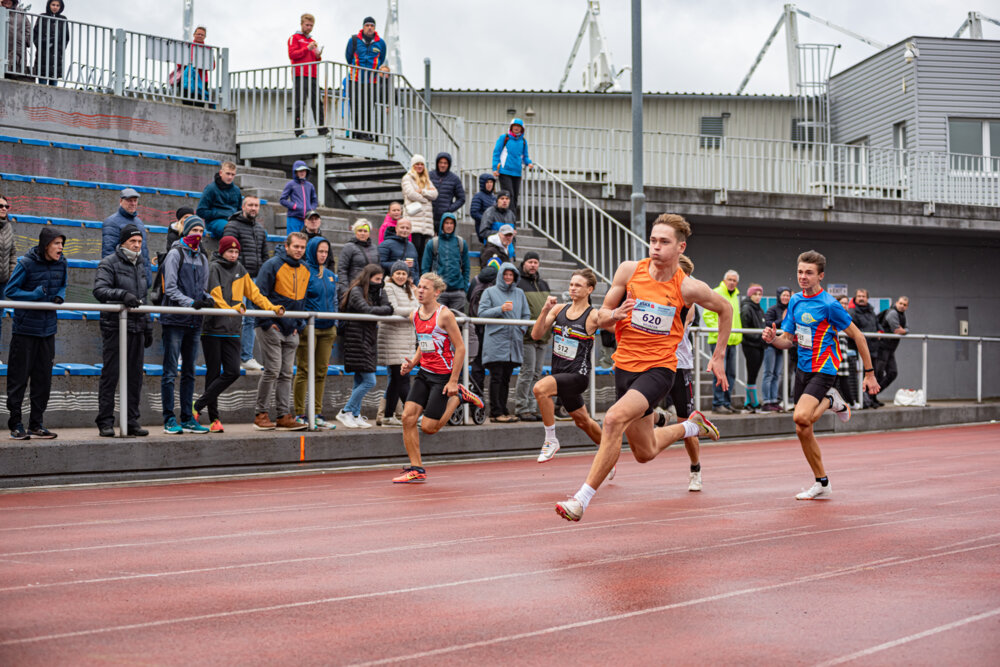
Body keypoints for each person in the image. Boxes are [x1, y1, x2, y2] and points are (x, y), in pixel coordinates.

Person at [554, 214, 732, 523]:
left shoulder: (688, 288)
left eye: (664, 242)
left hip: (659, 370)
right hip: (624, 367)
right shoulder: (628, 270)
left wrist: (718, 356)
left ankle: (581, 499)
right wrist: (613, 316)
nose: (656, 247)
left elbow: (726, 308)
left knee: (612, 420)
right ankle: (692, 426)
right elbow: (601, 315)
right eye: (652, 240)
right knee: (644, 451)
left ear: (680, 247)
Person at [762, 250, 880, 500]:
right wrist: (774, 340)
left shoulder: (829, 305)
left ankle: (831, 399)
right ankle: (822, 482)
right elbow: (788, 341)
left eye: (809, 273)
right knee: (802, 428)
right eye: (800, 272)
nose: (803, 277)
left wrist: (869, 373)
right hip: (803, 368)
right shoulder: (794, 301)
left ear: (820, 276)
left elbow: (858, 336)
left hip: (825, 367)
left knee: (801, 416)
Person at [394, 273, 484, 483]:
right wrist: (411, 365)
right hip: (424, 374)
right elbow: (423, 343)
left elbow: (460, 348)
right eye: (419, 287)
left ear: (437, 292)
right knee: (407, 418)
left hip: (443, 376)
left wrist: (453, 381)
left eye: (425, 288)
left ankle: (458, 396)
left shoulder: (444, 315)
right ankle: (417, 468)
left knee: (429, 428)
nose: (420, 291)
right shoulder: (414, 315)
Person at [195, 236, 283, 433]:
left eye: (236, 252)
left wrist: (272, 307)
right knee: (213, 375)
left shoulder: (241, 269)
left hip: (233, 330)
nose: (233, 255)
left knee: (233, 371)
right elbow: (216, 297)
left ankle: (198, 405)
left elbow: (255, 294)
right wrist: (234, 309)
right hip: (213, 330)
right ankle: (214, 419)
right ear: (222, 251)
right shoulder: (214, 267)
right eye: (230, 251)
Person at [530, 268, 604, 461]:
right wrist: (545, 310)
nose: (573, 288)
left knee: (540, 388)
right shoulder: (558, 310)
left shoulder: (592, 315)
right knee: (583, 421)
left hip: (578, 376)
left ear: (590, 289)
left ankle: (551, 439)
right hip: (560, 375)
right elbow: (536, 335)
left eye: (578, 285)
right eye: (571, 284)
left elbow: (613, 325)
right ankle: (608, 453)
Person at [4, 228, 67, 440]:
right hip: (25, 330)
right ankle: (15, 424)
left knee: (43, 380)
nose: (60, 248)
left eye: (61, 243)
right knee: (18, 379)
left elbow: (63, 285)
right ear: (46, 244)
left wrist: (59, 296)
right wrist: (34, 295)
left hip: (48, 330)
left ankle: (36, 424)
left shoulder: (62, 262)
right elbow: (10, 291)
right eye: (56, 243)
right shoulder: (26, 263)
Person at [651, 254, 705, 491]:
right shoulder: (655, 291)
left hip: (679, 364)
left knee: (686, 422)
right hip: (654, 362)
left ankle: (695, 468)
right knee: (632, 412)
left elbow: (675, 330)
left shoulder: (689, 302)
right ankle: (660, 418)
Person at [93, 225, 153, 438]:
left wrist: (148, 327)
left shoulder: (142, 265)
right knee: (111, 376)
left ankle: (131, 421)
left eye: (139, 242)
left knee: (135, 378)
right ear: (123, 242)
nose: (136, 245)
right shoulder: (109, 262)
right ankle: (105, 421)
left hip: (136, 328)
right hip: (115, 327)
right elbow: (100, 290)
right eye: (132, 242)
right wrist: (122, 295)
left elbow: (144, 299)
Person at [160, 216, 213, 435]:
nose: (198, 234)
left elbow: (203, 288)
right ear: (186, 231)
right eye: (195, 229)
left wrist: (208, 299)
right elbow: (170, 288)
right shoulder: (175, 254)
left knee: (190, 371)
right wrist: (191, 303)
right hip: (175, 319)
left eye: (202, 230)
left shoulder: (203, 256)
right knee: (170, 371)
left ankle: (187, 417)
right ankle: (169, 418)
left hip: (194, 321)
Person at [253, 232, 311, 431]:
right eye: (295, 246)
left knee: (286, 373)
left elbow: (302, 302)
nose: (299, 250)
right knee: (272, 370)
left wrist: (299, 325)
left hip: (291, 329)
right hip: (271, 326)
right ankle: (260, 414)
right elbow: (257, 294)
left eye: (302, 247)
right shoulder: (272, 265)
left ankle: (283, 415)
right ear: (286, 246)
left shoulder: (306, 269)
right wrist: (267, 322)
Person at [336, 263, 393, 428]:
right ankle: (345, 411)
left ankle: (355, 414)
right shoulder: (356, 291)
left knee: (359, 380)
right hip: (356, 339)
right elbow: (365, 310)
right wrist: (381, 309)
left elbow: (389, 308)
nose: (379, 282)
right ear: (368, 278)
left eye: (381, 279)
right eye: (376, 279)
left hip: (368, 339)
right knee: (370, 381)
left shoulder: (377, 291)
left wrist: (380, 307)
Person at [292, 237, 338, 428]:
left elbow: (334, 300)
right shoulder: (303, 272)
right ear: (312, 251)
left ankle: (317, 412)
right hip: (310, 328)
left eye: (326, 252)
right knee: (304, 370)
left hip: (328, 330)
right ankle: (300, 414)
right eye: (320, 251)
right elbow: (299, 300)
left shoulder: (329, 274)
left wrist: (334, 320)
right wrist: (302, 324)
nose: (323, 255)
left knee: (321, 372)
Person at [222, 195, 270, 372]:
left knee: (250, 318)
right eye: (250, 205)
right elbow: (228, 253)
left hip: (256, 279)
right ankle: (230, 356)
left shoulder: (259, 229)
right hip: (237, 278)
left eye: (256, 205)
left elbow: (265, 255)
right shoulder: (232, 226)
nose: (253, 208)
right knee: (235, 317)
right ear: (243, 206)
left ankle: (246, 357)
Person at [479, 262, 531, 422]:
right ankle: (495, 412)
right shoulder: (489, 292)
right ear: (500, 276)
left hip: (513, 342)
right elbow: (481, 313)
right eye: (506, 274)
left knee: (507, 378)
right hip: (496, 341)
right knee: (497, 376)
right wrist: (500, 309)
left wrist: (521, 330)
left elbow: (526, 314)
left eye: (511, 275)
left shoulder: (520, 292)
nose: (508, 277)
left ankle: (503, 410)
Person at [378, 261, 418, 426]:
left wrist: (415, 310)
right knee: (402, 378)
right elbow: (394, 309)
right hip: (393, 338)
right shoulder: (388, 288)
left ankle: (388, 416)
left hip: (406, 339)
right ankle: (413, 414)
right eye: (398, 273)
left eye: (404, 273)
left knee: (396, 380)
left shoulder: (408, 289)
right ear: (392, 275)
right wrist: (415, 312)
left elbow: (417, 305)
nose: (401, 276)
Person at [514, 252, 551, 421]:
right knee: (527, 372)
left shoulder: (544, 284)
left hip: (543, 335)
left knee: (537, 373)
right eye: (530, 261)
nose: (533, 265)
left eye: (536, 262)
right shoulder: (518, 283)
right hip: (527, 336)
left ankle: (532, 407)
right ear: (524, 264)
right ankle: (522, 407)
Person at [702, 269, 743, 414]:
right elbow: (708, 315)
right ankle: (717, 403)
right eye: (729, 280)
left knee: (731, 374)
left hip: (733, 340)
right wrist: (720, 331)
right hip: (718, 340)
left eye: (734, 280)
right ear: (724, 280)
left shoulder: (737, 296)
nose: (732, 282)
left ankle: (726, 402)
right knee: (719, 372)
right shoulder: (716, 292)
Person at [345, 16, 387, 141]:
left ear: (374, 28)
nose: (369, 28)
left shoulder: (381, 43)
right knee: (356, 107)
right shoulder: (353, 40)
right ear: (363, 27)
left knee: (369, 107)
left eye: (372, 26)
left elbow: (381, 58)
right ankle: (358, 132)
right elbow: (348, 57)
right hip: (356, 80)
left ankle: (367, 133)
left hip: (371, 82)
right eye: (367, 25)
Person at [101, 188, 152, 287]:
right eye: (129, 200)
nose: (133, 203)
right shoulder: (111, 222)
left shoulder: (139, 223)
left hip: (140, 281)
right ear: (121, 201)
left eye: (135, 200)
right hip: (122, 283)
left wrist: (147, 279)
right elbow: (108, 253)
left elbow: (144, 253)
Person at [420, 212, 470, 312]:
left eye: (451, 223)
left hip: (457, 292)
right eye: (446, 223)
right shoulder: (433, 243)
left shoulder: (461, 243)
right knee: (438, 323)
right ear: (442, 224)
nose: (449, 226)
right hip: (438, 292)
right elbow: (425, 268)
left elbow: (466, 267)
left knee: (457, 325)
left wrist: (464, 288)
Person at [288, 13, 327, 137]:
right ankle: (299, 131)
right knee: (300, 103)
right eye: (307, 25)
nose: (309, 28)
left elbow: (316, 60)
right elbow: (292, 54)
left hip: (313, 75)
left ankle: (322, 129)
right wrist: (307, 48)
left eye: (311, 25)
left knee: (317, 103)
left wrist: (317, 54)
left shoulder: (312, 41)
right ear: (302, 24)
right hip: (300, 74)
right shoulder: (294, 38)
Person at [491, 118, 534, 219]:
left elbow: (525, 156)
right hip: (504, 171)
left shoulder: (523, 141)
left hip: (517, 173)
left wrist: (529, 163)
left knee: (514, 198)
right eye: (514, 126)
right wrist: (495, 168)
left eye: (519, 127)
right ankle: (511, 220)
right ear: (511, 127)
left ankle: (510, 219)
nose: (516, 128)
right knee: (508, 195)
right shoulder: (504, 138)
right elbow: (496, 153)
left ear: (522, 129)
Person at [466, 264, 498, 397]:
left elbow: (468, 298)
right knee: (495, 368)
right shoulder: (495, 284)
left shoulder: (475, 280)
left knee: (477, 365)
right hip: (491, 329)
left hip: (476, 327)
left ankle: (476, 399)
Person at [400, 155, 438, 262]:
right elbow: (411, 194)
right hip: (414, 222)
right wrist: (426, 199)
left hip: (426, 223)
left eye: (422, 164)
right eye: (417, 164)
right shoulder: (407, 178)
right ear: (413, 165)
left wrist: (422, 192)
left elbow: (435, 194)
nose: (420, 166)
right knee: (414, 251)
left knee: (423, 253)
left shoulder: (427, 180)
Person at [760, 286, 792, 412]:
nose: (786, 298)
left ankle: (774, 400)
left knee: (777, 374)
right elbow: (768, 324)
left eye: (788, 295)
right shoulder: (772, 309)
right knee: (768, 373)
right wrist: (782, 319)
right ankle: (766, 400)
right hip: (770, 346)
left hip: (781, 346)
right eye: (783, 295)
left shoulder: (791, 310)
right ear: (779, 296)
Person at [850, 288, 881, 408]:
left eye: (863, 296)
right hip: (860, 350)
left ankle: (873, 399)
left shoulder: (871, 311)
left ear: (867, 298)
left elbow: (876, 324)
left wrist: (880, 331)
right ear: (855, 298)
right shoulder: (852, 312)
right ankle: (865, 401)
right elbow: (854, 331)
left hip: (873, 349)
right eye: (859, 296)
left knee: (873, 375)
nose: (861, 298)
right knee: (862, 376)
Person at [169, 24, 213, 106]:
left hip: (202, 80)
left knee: (200, 104)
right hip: (186, 78)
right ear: (194, 35)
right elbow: (179, 63)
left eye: (202, 34)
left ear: (205, 36)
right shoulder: (187, 46)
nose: (200, 36)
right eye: (198, 34)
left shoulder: (208, 49)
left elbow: (212, 66)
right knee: (186, 103)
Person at [876, 296, 909, 404]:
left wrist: (904, 330)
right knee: (878, 373)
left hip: (890, 349)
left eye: (905, 305)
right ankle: (870, 397)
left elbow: (907, 328)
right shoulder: (892, 313)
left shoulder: (902, 315)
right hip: (882, 347)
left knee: (892, 373)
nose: (902, 306)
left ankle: (873, 394)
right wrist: (904, 330)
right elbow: (897, 330)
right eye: (901, 303)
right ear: (896, 303)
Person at [197, 162, 242, 239]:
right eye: (228, 174)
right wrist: (221, 214)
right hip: (215, 222)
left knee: (256, 231)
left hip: (233, 221)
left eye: (232, 174)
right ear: (221, 173)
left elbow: (240, 210)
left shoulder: (237, 190)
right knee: (230, 230)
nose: (230, 177)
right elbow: (201, 211)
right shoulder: (211, 188)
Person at [740, 283, 766, 413]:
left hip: (759, 345)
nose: (758, 297)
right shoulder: (746, 308)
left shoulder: (759, 309)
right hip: (750, 345)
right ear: (750, 295)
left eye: (760, 294)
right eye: (755, 294)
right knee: (752, 373)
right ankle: (753, 402)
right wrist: (759, 338)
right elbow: (746, 329)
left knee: (753, 374)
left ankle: (748, 401)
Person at [338, 219, 379, 299]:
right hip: (354, 288)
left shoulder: (374, 248)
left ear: (369, 233)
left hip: (371, 289)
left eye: (365, 231)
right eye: (360, 230)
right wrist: (345, 290)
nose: (362, 233)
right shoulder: (348, 247)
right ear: (355, 232)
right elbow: (342, 270)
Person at [33, 0, 69, 86]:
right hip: (43, 54)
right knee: (42, 85)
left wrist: (59, 48)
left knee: (54, 85)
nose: (55, 7)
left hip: (56, 56)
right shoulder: (42, 17)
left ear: (61, 7)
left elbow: (66, 37)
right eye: (53, 5)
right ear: (49, 5)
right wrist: (44, 44)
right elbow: (35, 35)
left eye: (57, 5)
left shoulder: (63, 19)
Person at [429, 152, 466, 232]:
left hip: (444, 219)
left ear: (449, 164)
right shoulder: (429, 176)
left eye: (445, 163)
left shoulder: (454, 179)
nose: (443, 165)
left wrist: (449, 208)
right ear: (437, 163)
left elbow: (461, 198)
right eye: (441, 162)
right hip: (429, 217)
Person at [0, 194, 17, 362]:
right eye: (1, 206)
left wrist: (12, 276)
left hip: (2, 282)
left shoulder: (8, 227)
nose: (4, 208)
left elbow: (12, 254)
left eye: (6, 206)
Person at [280, 161, 319, 234]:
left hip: (306, 219)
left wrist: (311, 209)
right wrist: (294, 206)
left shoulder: (310, 186)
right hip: (294, 218)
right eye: (300, 171)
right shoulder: (290, 184)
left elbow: (315, 201)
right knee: (293, 240)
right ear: (295, 172)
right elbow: (282, 200)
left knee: (305, 241)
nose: (302, 173)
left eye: (304, 171)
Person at [378, 217, 419, 283]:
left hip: (409, 285)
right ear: (396, 228)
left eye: (407, 228)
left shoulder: (412, 246)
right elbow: (379, 264)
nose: (405, 230)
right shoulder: (385, 244)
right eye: (402, 227)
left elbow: (416, 268)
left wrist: (416, 283)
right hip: (390, 284)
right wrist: (400, 264)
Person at [2, 0, 33, 82]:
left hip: (18, 49)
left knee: (16, 76)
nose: (7, 1)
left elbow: (28, 27)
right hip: (2, 48)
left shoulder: (20, 12)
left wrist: (26, 40)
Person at [469, 173, 497, 240]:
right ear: (483, 184)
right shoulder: (478, 196)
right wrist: (486, 220)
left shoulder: (494, 197)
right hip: (482, 227)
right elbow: (474, 212)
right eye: (487, 182)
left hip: (493, 226)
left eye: (491, 182)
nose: (490, 184)